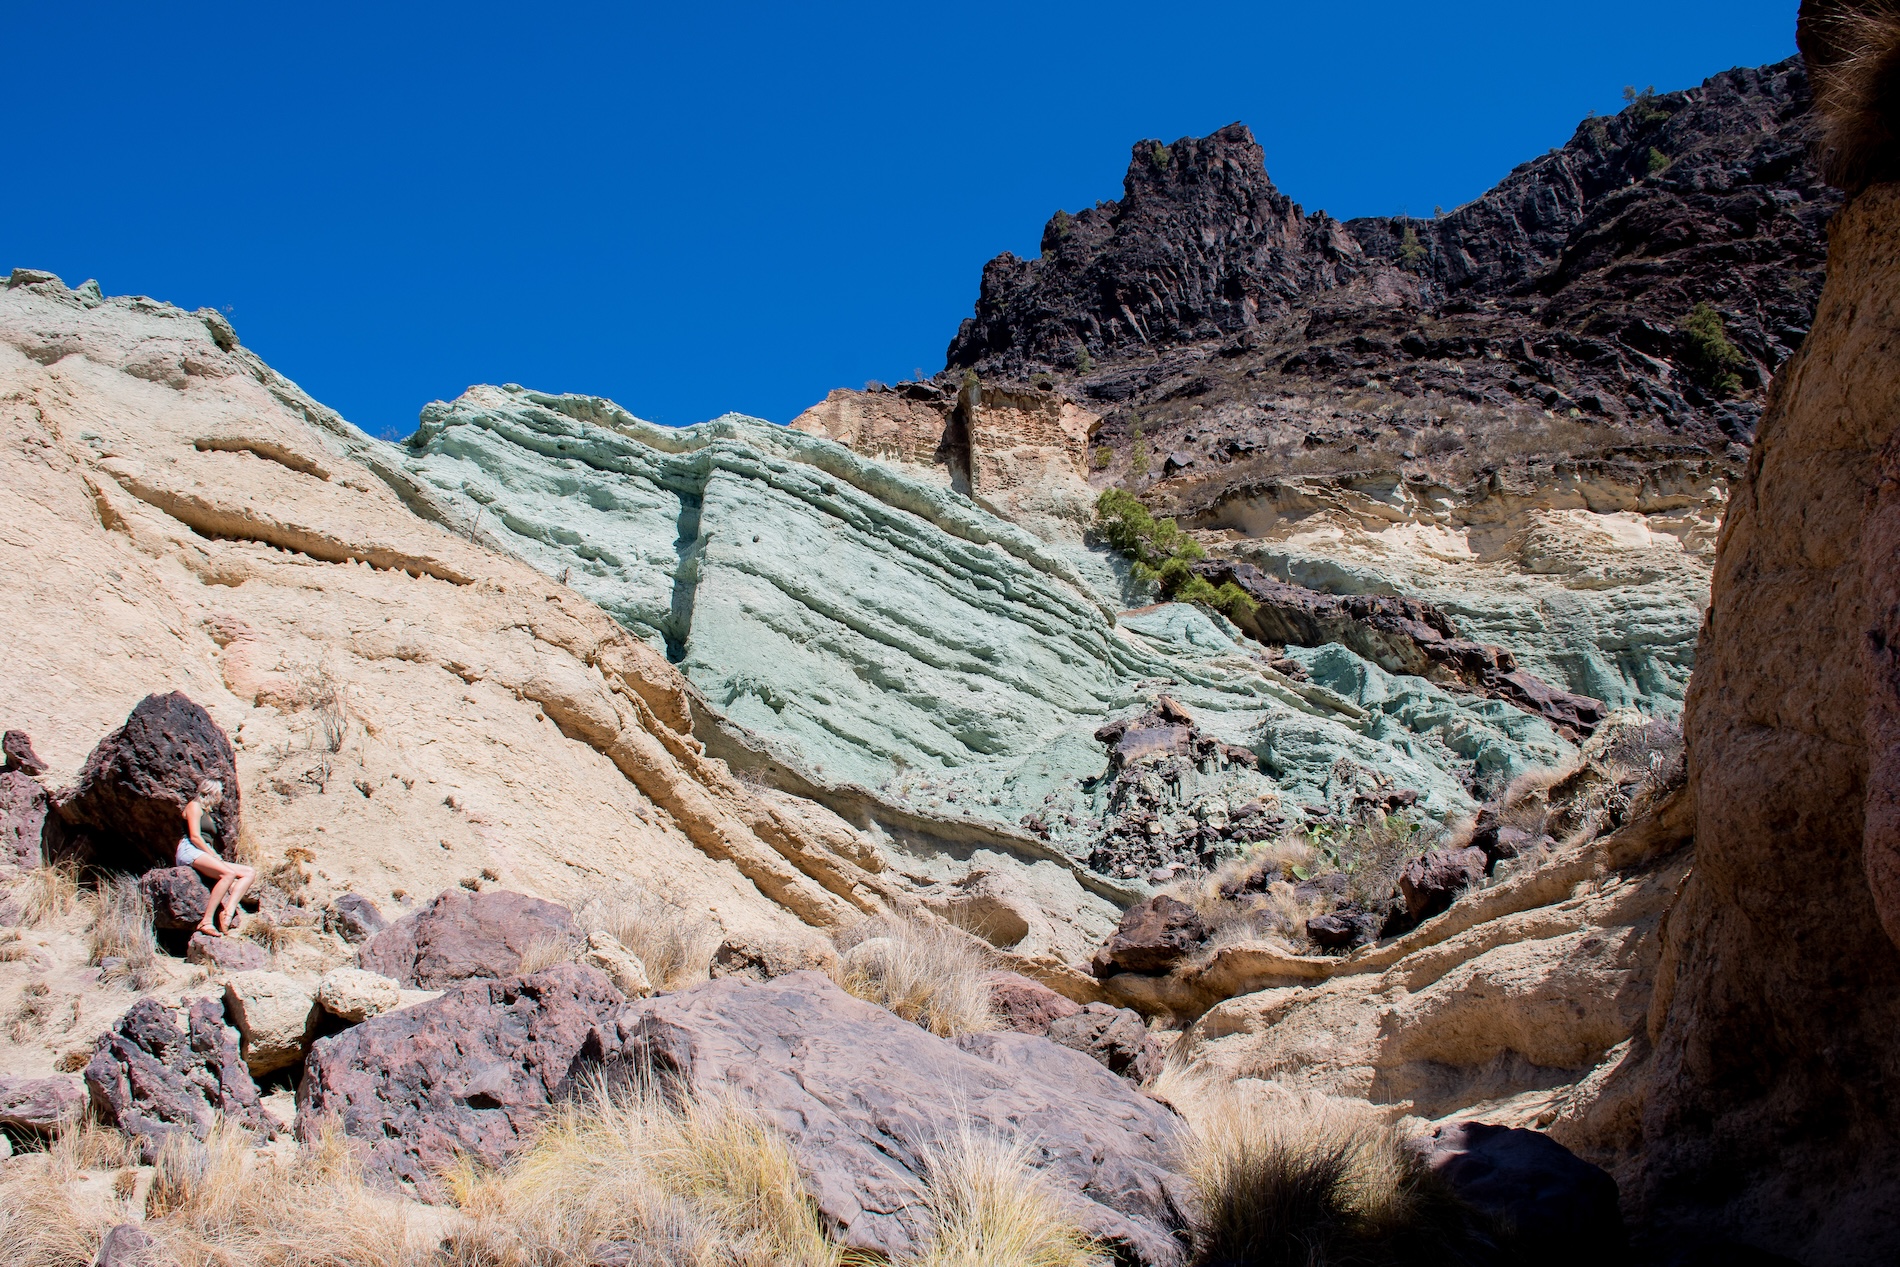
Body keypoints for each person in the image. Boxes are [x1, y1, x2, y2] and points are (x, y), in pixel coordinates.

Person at [177, 778, 253, 936]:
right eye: (220, 792)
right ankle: (206, 921)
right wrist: (213, 855)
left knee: (249, 872)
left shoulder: (207, 813)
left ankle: (228, 912)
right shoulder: (194, 806)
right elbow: (195, 837)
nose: (221, 796)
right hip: (190, 849)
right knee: (228, 873)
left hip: (203, 852)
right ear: (211, 792)